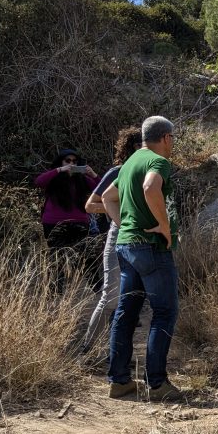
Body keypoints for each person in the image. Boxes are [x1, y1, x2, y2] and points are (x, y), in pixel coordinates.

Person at [101, 116, 182, 401]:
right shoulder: (158, 162)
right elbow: (150, 187)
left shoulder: (129, 164)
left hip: (125, 246)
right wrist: (163, 225)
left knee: (126, 312)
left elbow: (107, 198)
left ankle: (119, 381)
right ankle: (157, 384)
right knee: (164, 312)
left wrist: (124, 224)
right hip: (151, 246)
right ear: (166, 138)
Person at [80, 127, 143, 355]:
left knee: (131, 299)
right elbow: (90, 205)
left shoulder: (152, 170)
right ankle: (87, 350)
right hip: (118, 237)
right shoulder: (117, 172)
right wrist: (120, 209)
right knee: (110, 297)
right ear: (136, 147)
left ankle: (117, 353)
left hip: (143, 240)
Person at [34, 149, 100, 291]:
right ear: (61, 162)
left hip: (79, 223)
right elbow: (39, 181)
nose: (71, 164)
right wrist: (59, 170)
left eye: (74, 162)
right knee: (57, 258)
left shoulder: (81, 180)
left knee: (87, 256)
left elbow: (102, 191)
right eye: (67, 161)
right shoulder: (54, 178)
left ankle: (98, 288)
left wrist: (93, 174)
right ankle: (55, 291)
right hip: (54, 223)